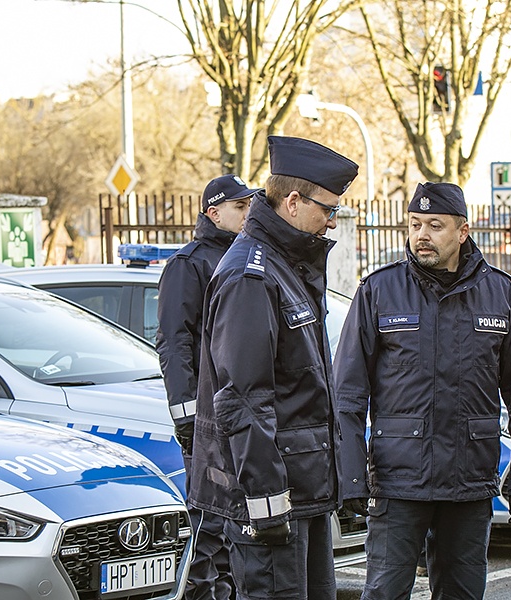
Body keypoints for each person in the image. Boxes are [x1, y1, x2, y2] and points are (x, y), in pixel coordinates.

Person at [333, 182, 511, 600]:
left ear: (463, 232)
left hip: (470, 479)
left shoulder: (501, 293)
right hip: (399, 481)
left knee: (463, 593)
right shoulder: (379, 291)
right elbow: (347, 396)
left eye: (435, 225)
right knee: (385, 592)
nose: (422, 235)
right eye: (415, 224)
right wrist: (351, 478)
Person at [188, 136, 358, 600]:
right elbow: (244, 398)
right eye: (328, 209)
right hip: (272, 498)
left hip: (301, 490)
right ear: (294, 201)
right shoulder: (252, 276)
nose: (331, 221)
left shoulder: (284, 266)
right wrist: (265, 502)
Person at [156, 174, 260, 600]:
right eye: (240, 207)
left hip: (243, 413)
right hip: (208, 419)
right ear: (214, 213)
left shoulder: (249, 257)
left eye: (251, 205)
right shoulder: (191, 263)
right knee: (209, 526)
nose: (249, 213)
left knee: (240, 523)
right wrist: (186, 415)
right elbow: (175, 342)